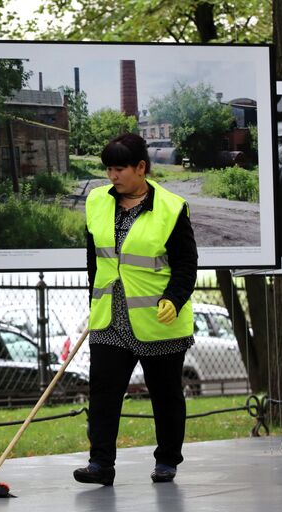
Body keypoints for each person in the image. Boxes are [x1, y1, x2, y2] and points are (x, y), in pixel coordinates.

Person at [74, 133, 197, 486]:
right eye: (109, 169)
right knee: (104, 393)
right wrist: (94, 296)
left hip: (158, 319)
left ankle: (167, 460)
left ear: (141, 168)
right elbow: (93, 258)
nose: (112, 176)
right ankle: (100, 464)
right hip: (110, 317)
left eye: (120, 169)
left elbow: (187, 263)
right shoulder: (97, 201)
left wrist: (174, 299)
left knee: (165, 394)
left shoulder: (171, 207)